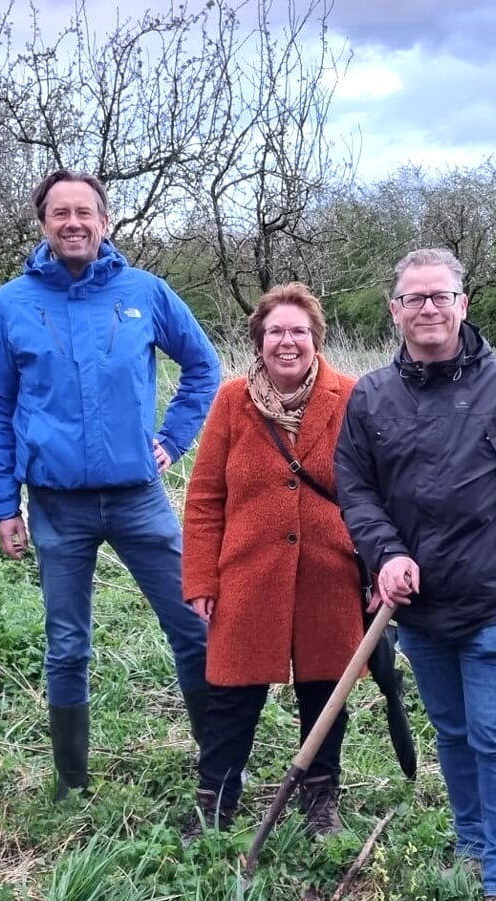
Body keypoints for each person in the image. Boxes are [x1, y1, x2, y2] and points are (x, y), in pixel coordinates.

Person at [335, 248, 496, 901]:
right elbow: (355, 486)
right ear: (395, 311)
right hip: (419, 606)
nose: (428, 309)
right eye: (413, 299)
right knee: (454, 731)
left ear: (463, 304)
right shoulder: (373, 396)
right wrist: (387, 553)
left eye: (440, 296)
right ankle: (472, 844)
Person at [0, 171, 220, 801]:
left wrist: (172, 439)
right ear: (43, 224)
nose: (73, 223)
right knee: (66, 646)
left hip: (140, 499)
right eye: (60, 213)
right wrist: (5, 503)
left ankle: (217, 766)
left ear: (105, 220)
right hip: (57, 507)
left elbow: (202, 367)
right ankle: (71, 783)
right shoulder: (12, 304)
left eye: (84, 211)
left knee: (192, 626)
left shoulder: (145, 292)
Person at [181, 283, 363, 840]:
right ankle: (216, 799)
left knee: (325, 690)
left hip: (331, 573)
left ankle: (320, 797)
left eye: (299, 331)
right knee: (232, 695)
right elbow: (206, 494)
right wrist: (200, 578)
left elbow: (377, 491)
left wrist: (377, 566)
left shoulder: (351, 396)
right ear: (259, 341)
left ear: (316, 339)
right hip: (247, 573)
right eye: (276, 332)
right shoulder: (232, 400)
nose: (288, 342)